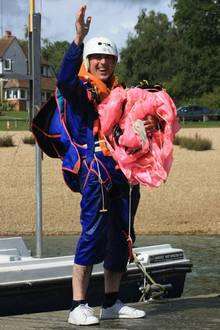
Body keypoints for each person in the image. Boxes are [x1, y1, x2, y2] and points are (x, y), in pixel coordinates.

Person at [57, 5, 158, 326]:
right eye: (97, 58)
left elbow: (132, 131)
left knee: (122, 238)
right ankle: (77, 305)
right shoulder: (80, 91)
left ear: (115, 63)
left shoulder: (123, 94)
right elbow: (62, 79)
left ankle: (111, 303)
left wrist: (149, 126)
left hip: (125, 175)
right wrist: (77, 39)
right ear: (88, 62)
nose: (103, 62)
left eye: (109, 58)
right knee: (91, 235)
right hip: (95, 174)